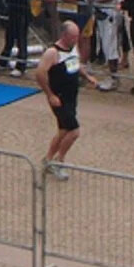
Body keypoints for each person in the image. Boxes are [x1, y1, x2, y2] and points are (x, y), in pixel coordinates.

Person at [37, 22, 83, 179]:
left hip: (71, 96)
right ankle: (59, 160)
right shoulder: (52, 52)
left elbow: (75, 64)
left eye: (77, 37)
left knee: (63, 130)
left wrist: (87, 76)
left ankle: (48, 159)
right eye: (73, 37)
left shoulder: (73, 48)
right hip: (59, 97)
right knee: (74, 131)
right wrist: (50, 94)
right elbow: (40, 73)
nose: (75, 40)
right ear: (64, 35)